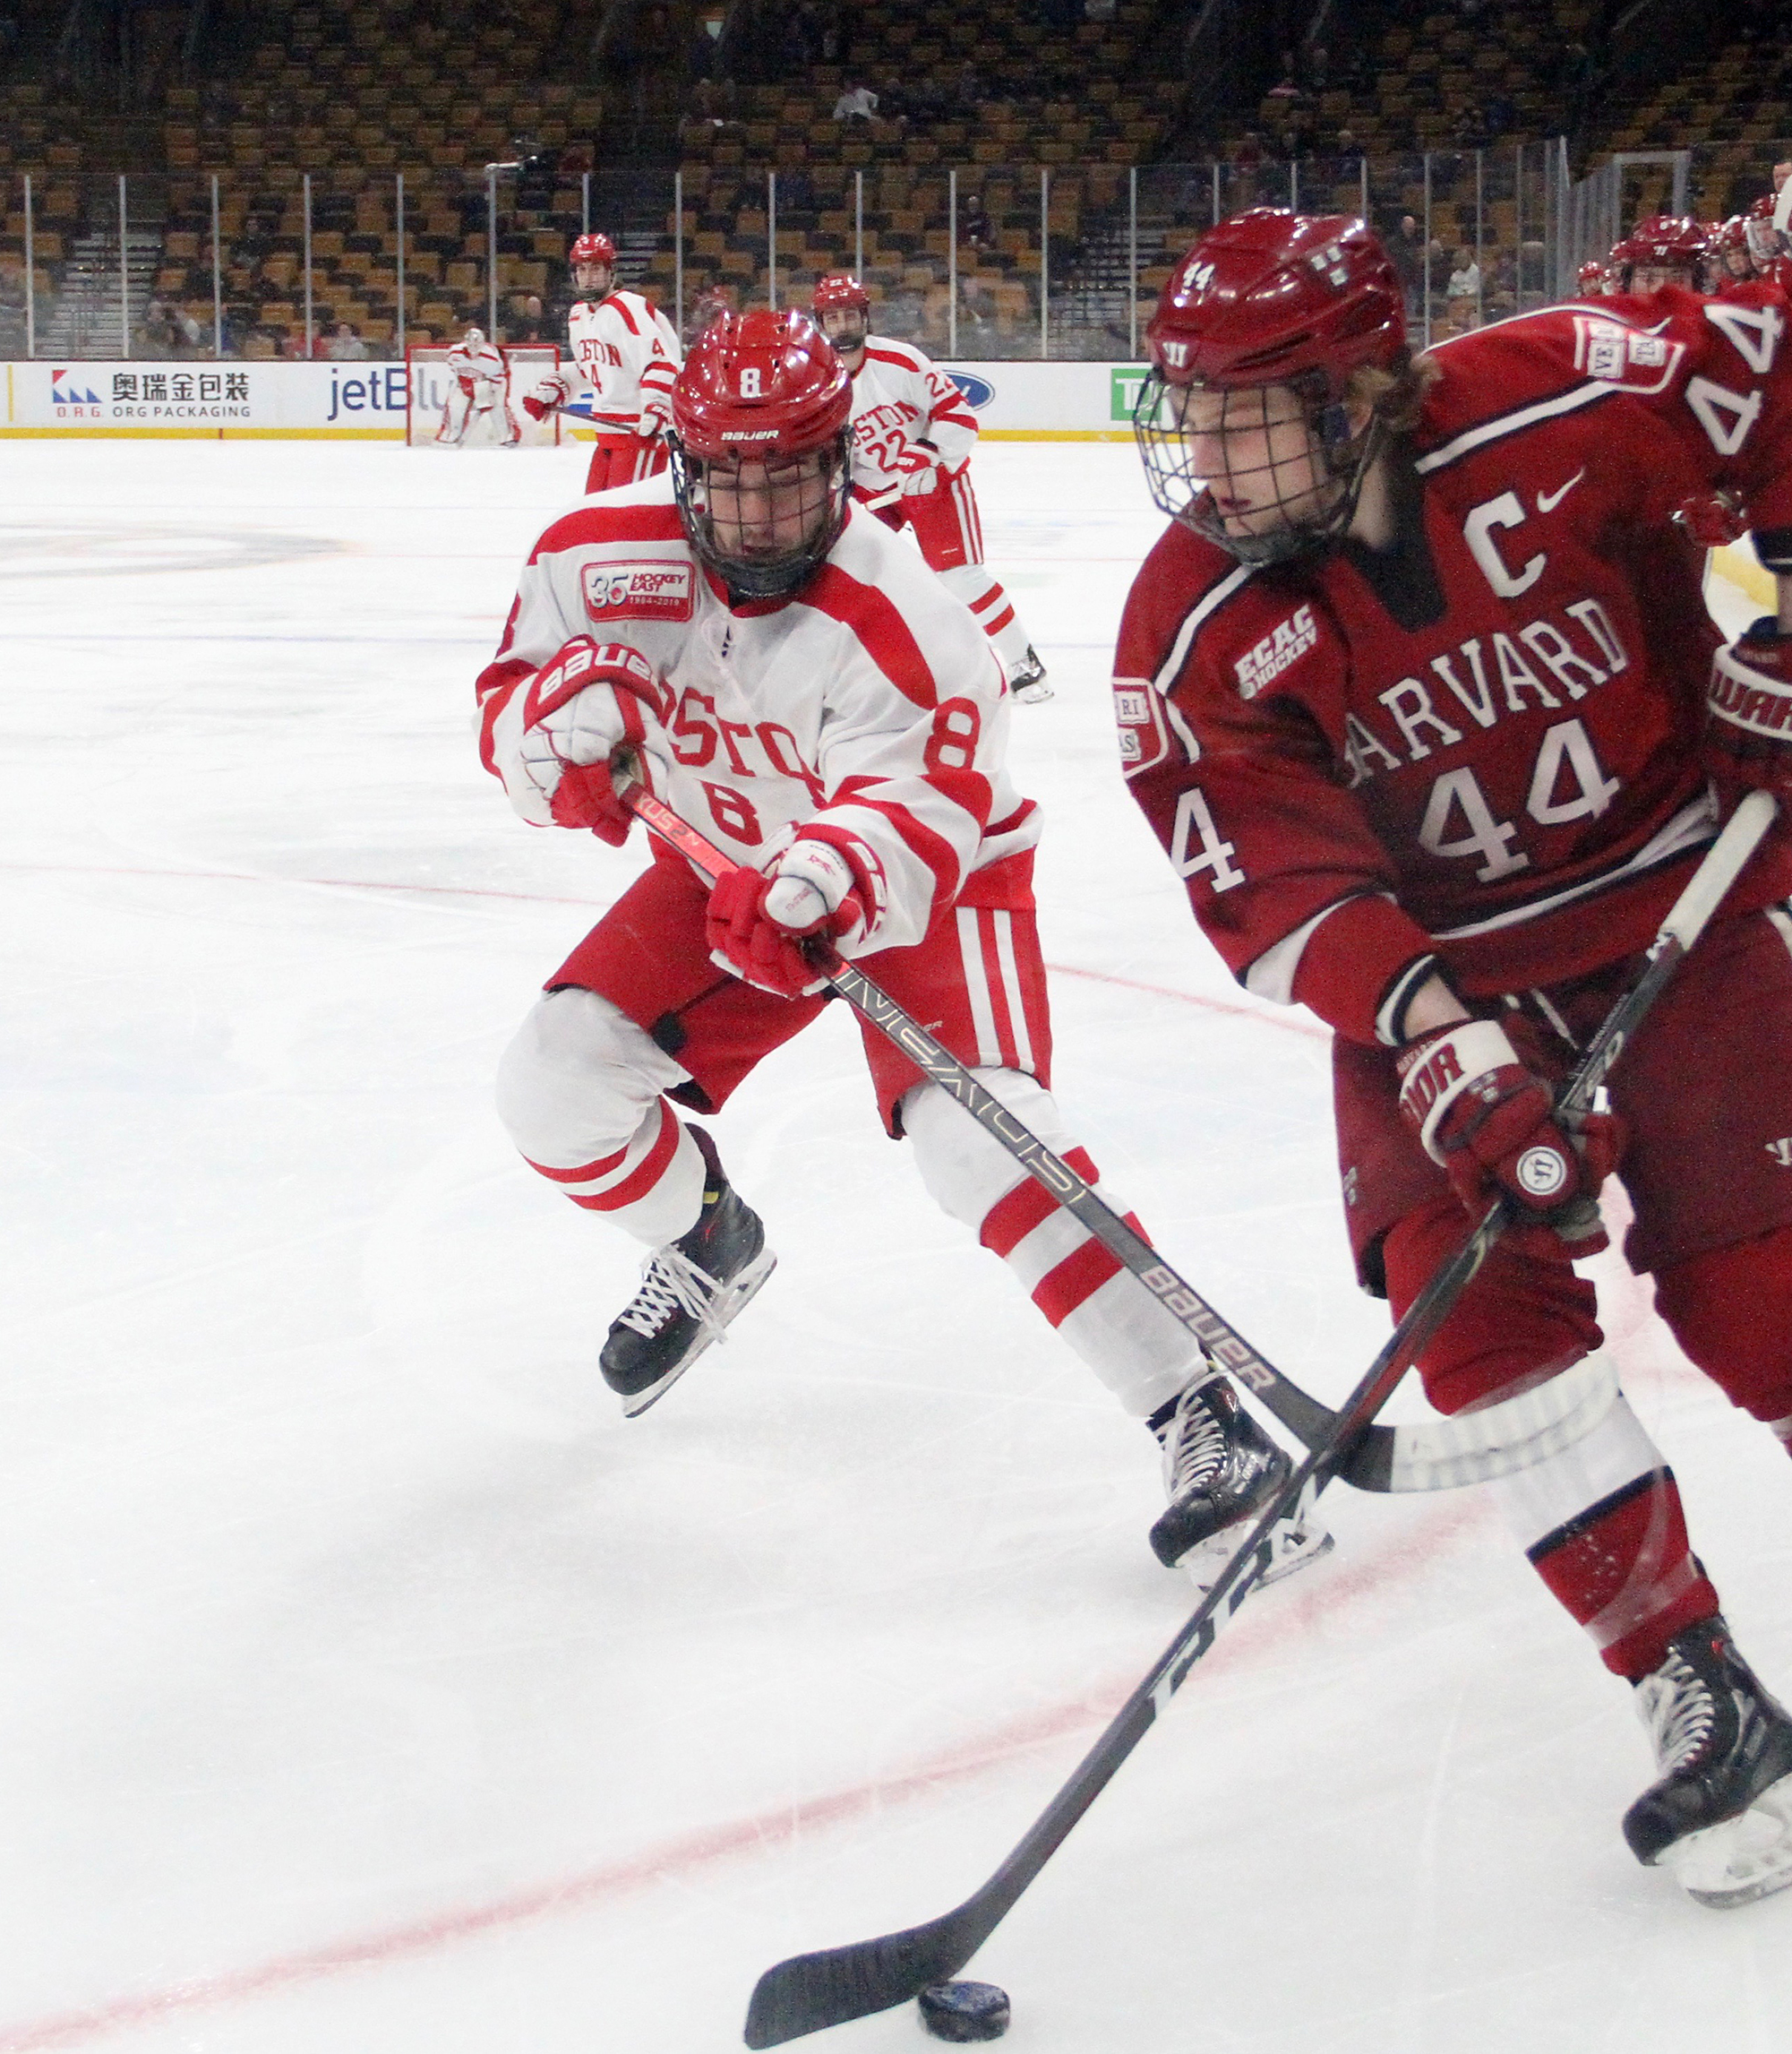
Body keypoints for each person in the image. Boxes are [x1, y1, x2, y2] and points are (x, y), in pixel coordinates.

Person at [1112, 209, 1792, 1906]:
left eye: (1244, 415)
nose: (1205, 459)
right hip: (1442, 985)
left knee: (1780, 1317)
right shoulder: (1195, 619)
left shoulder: (1569, 390)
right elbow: (1275, 871)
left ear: (1361, 390)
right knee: (1486, 1340)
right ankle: (1696, 1688)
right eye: (1194, 414)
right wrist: (1437, 1042)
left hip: (1682, 905)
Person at [470, 309, 1327, 1591]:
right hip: (718, 869)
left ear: (841, 464)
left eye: (790, 478)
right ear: (685, 466)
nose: (761, 514)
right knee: (552, 1081)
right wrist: (552, 742)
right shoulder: (591, 556)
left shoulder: (909, 611)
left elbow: (923, 807)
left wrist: (824, 881)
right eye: (731, 480)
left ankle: (1204, 1418)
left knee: (976, 1138)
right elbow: (506, 699)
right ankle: (707, 1240)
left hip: (932, 882)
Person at [809, 272, 1049, 701]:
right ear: (821, 323)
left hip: (930, 480)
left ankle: (1023, 663)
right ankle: (864, 675)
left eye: (849, 315)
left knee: (960, 576)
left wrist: (928, 450)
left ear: (864, 317)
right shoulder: (815, 379)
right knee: (846, 576)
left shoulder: (900, 361)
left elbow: (959, 415)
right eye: (833, 318)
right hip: (870, 491)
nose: (842, 326)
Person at [538, 232, 681, 489]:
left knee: (629, 513)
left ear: (610, 271)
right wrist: (558, 387)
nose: (588, 276)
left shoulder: (629, 307)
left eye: (596, 268)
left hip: (639, 436)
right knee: (595, 509)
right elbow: (590, 368)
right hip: (607, 437)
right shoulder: (578, 314)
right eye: (582, 269)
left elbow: (661, 363)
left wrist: (656, 410)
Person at [435, 324, 518, 444]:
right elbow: (454, 368)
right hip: (465, 381)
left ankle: (507, 436)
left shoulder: (491, 358)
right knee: (454, 407)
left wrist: (490, 392)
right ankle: (452, 434)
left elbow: (499, 377)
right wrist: (467, 382)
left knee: (498, 408)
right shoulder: (455, 352)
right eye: (470, 344)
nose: (473, 348)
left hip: (489, 383)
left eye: (476, 345)